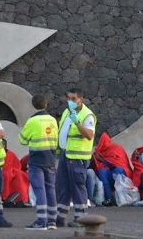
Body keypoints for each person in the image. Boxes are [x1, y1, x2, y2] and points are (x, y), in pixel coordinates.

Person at [18, 94, 58, 230]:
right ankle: (52, 220)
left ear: (33, 105)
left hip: (36, 160)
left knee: (39, 189)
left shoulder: (32, 121)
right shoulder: (53, 120)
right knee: (51, 189)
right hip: (51, 159)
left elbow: (22, 140)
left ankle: (42, 220)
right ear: (45, 105)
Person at [56, 88, 95, 227]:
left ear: (80, 100)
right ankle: (60, 217)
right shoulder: (67, 112)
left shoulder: (87, 115)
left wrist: (77, 122)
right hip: (65, 154)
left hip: (77, 157)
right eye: (69, 98)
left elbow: (89, 135)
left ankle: (81, 219)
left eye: (73, 99)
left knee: (78, 187)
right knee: (62, 187)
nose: (70, 101)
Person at [91, 132, 131, 207]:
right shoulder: (99, 152)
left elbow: (118, 164)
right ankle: (109, 198)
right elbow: (98, 166)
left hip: (120, 174)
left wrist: (101, 159)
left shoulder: (116, 148)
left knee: (118, 170)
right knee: (102, 171)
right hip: (109, 174)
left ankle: (121, 197)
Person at [1, 140, 30, 206]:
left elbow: (17, 166)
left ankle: (19, 199)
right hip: (1, 173)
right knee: (6, 175)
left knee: (19, 175)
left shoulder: (10, 154)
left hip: (13, 172)